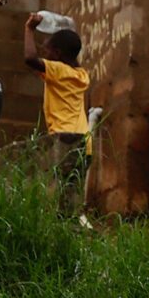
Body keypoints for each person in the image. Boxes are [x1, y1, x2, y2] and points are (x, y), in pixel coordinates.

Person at [21, 14, 93, 185]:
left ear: (58, 54)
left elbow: (30, 59)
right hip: (84, 141)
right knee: (72, 190)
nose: (44, 55)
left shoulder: (58, 71)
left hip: (64, 139)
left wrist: (29, 29)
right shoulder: (80, 74)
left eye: (47, 51)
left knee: (58, 191)